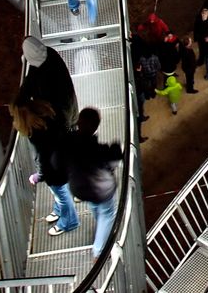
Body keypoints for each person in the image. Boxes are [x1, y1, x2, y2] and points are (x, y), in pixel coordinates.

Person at [10, 96, 78, 237]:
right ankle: (59, 210)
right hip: (63, 159)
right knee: (60, 191)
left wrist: (39, 176)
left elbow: (43, 157)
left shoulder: (36, 133)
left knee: (61, 193)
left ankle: (69, 221)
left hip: (54, 168)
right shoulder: (47, 118)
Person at [62, 109, 123, 265]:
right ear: (96, 127)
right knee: (108, 213)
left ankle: (99, 229)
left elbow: (57, 162)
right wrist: (116, 147)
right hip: (101, 190)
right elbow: (114, 160)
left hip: (79, 188)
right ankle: (99, 251)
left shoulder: (68, 142)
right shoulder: (98, 149)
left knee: (96, 206)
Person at [21, 35, 79, 128]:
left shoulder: (40, 72)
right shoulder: (49, 53)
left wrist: (20, 102)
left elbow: (28, 86)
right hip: (70, 112)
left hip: (60, 119)